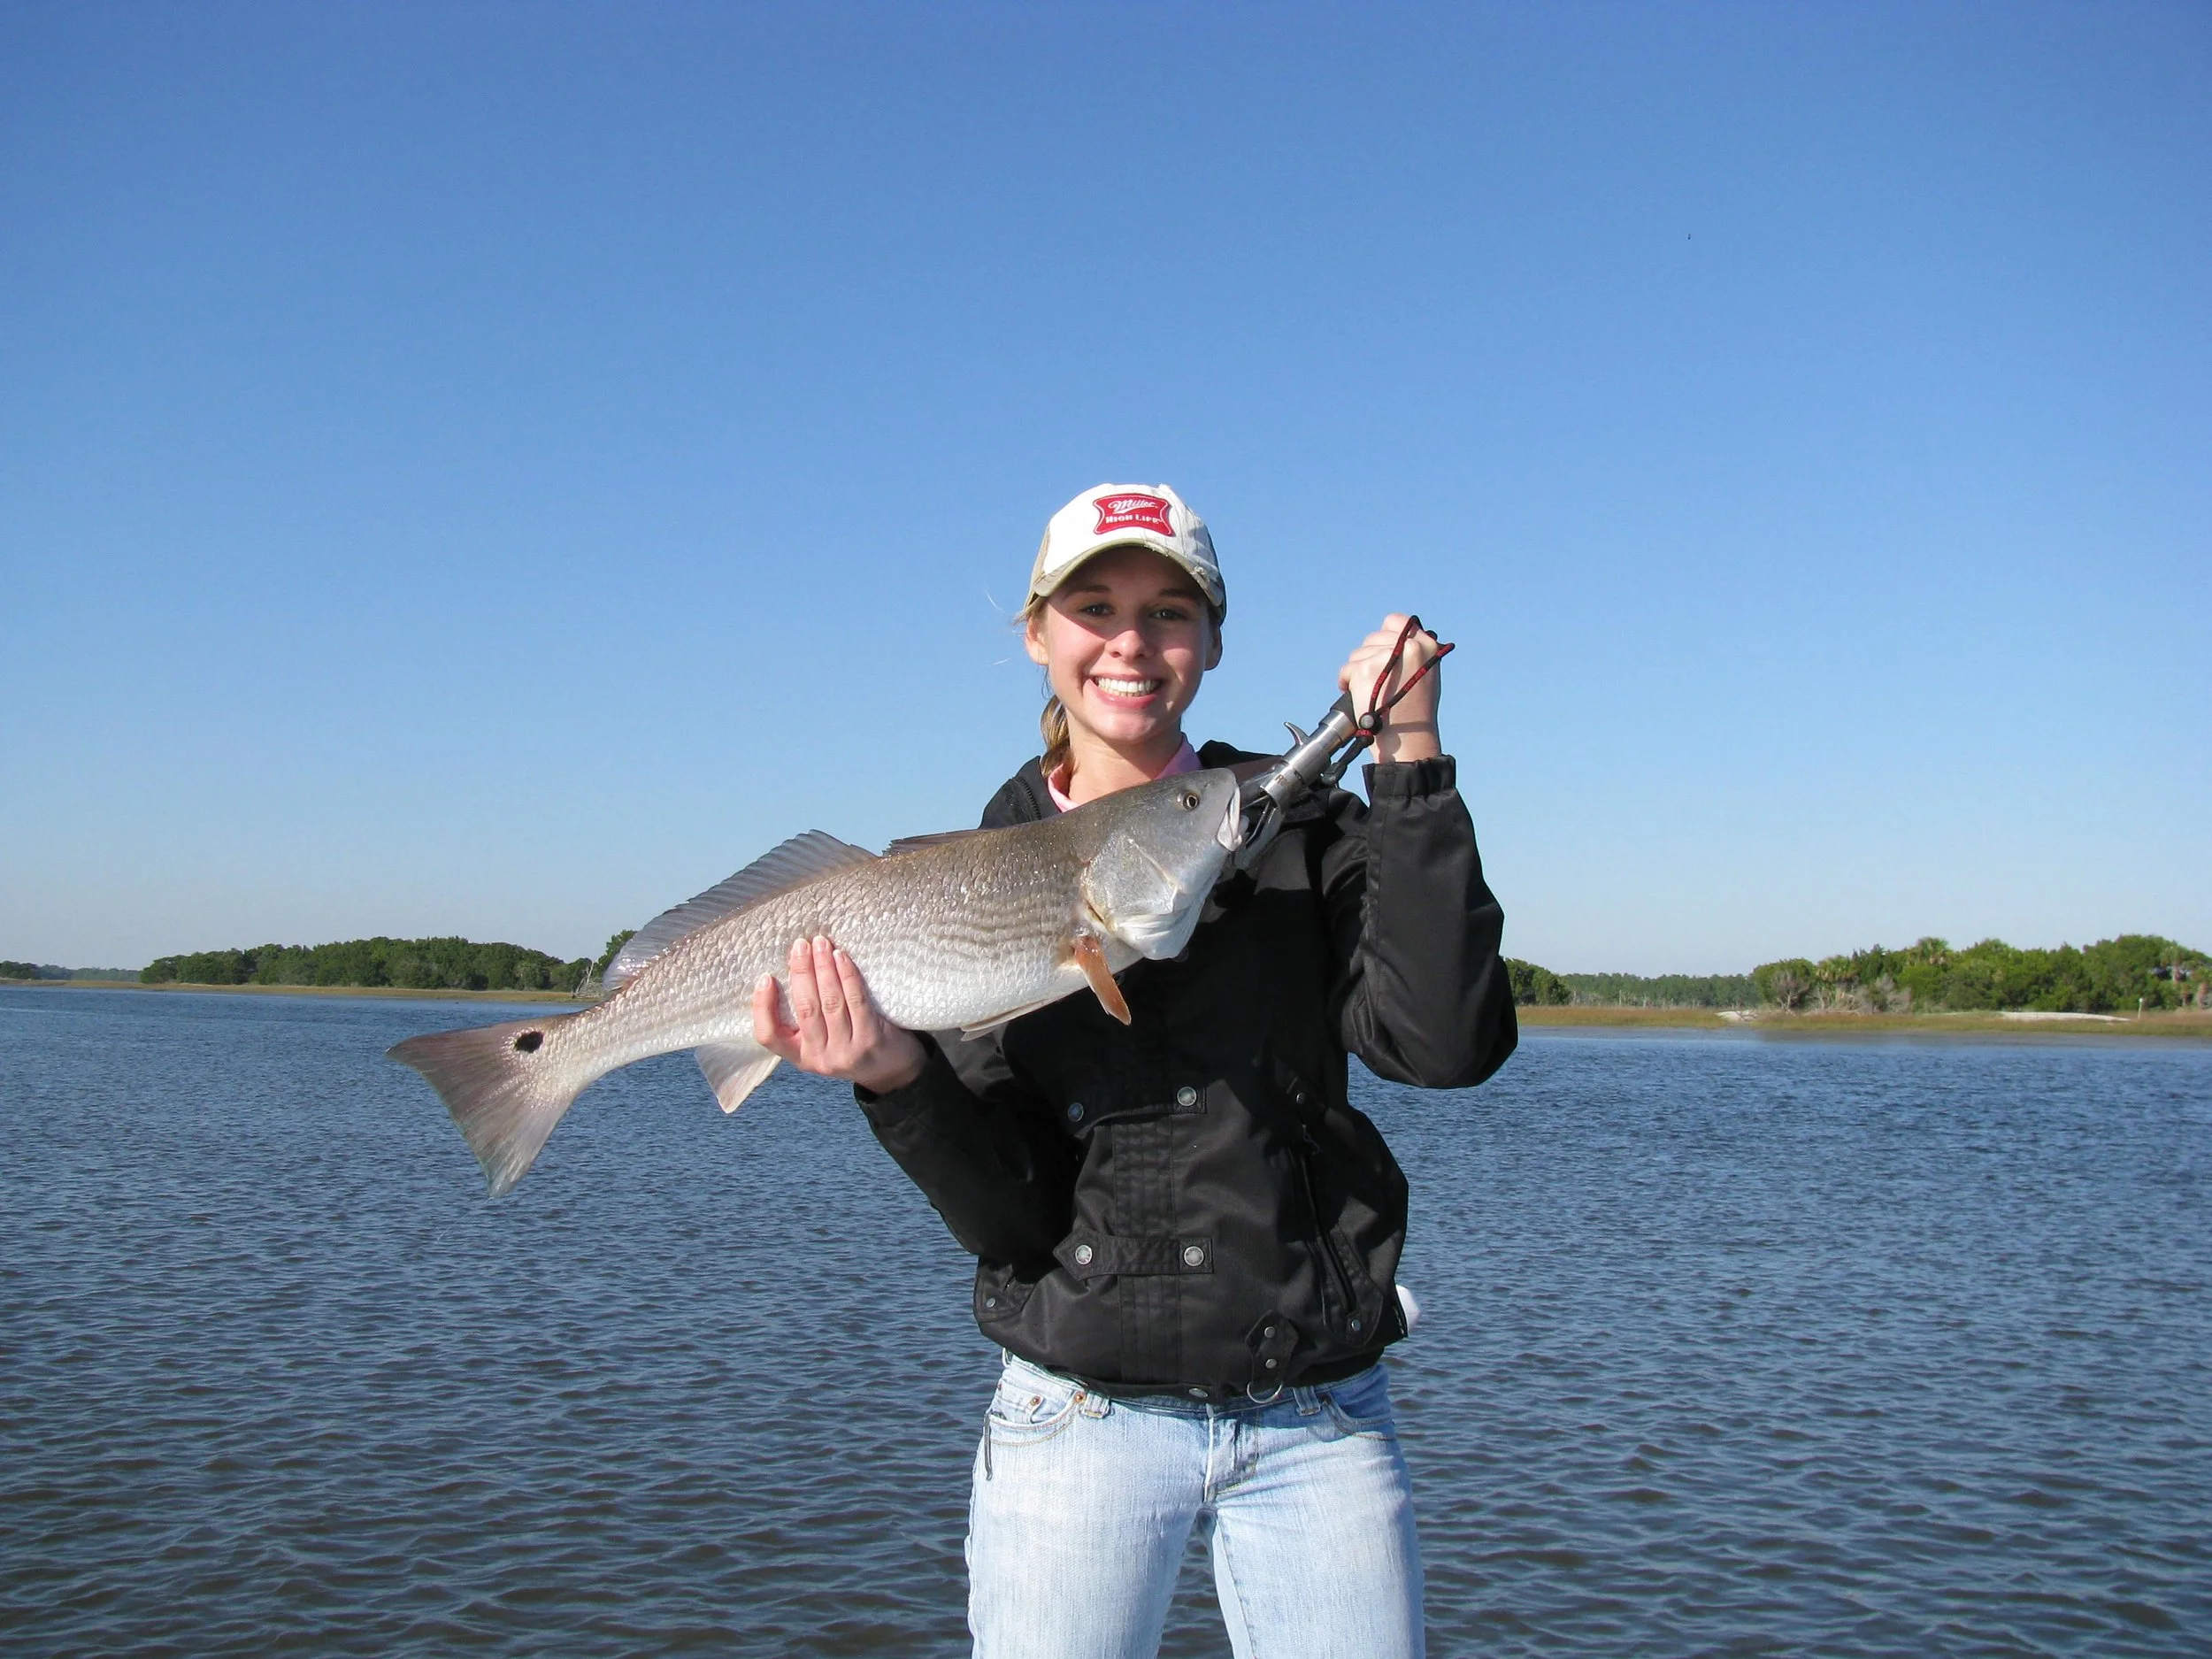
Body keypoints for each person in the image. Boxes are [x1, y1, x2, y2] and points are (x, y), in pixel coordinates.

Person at [749, 483, 1517, 1659]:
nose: (1131, 641)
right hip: (1079, 1416)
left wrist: (1407, 752)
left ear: (1211, 639)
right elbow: (1013, 1216)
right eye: (1094, 604)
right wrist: (896, 1076)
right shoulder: (965, 882)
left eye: (1169, 611)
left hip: (1317, 1412)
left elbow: (1445, 1043)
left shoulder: (1297, 824)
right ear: (1037, 633)